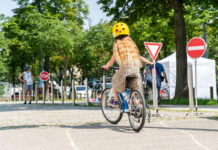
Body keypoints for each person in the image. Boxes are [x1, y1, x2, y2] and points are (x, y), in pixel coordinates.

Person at [102, 22, 153, 108]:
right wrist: (150, 62)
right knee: (132, 87)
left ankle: (115, 101)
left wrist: (105, 67)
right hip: (135, 71)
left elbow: (111, 62)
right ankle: (137, 103)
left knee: (114, 81)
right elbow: (140, 57)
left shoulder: (118, 47)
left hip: (125, 71)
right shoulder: (131, 47)